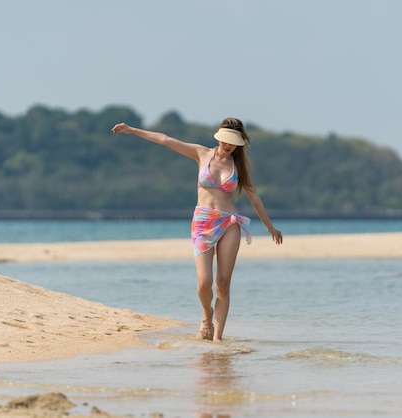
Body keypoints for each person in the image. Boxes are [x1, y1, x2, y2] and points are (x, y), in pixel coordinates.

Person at [111, 117, 283, 341]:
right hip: (202, 222)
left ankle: (218, 339)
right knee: (204, 283)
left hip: (229, 223)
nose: (228, 146)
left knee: (223, 283)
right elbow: (165, 139)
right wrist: (132, 130)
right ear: (218, 137)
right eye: (225, 141)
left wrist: (270, 227)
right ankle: (206, 313)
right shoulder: (201, 153)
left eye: (233, 142)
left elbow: (255, 198)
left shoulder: (239, 166)